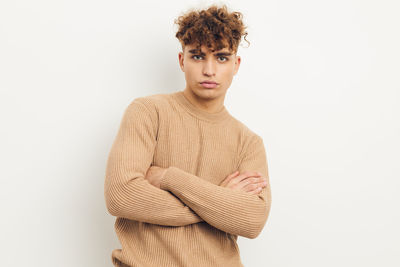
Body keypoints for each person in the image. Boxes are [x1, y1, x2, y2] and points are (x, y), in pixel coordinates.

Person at [104, 4, 272, 267]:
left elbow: (251, 221)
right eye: (197, 56)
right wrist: (219, 201)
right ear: (182, 60)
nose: (209, 70)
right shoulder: (148, 112)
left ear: (236, 64)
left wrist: (168, 177)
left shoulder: (248, 142)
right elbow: (121, 196)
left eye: (221, 58)